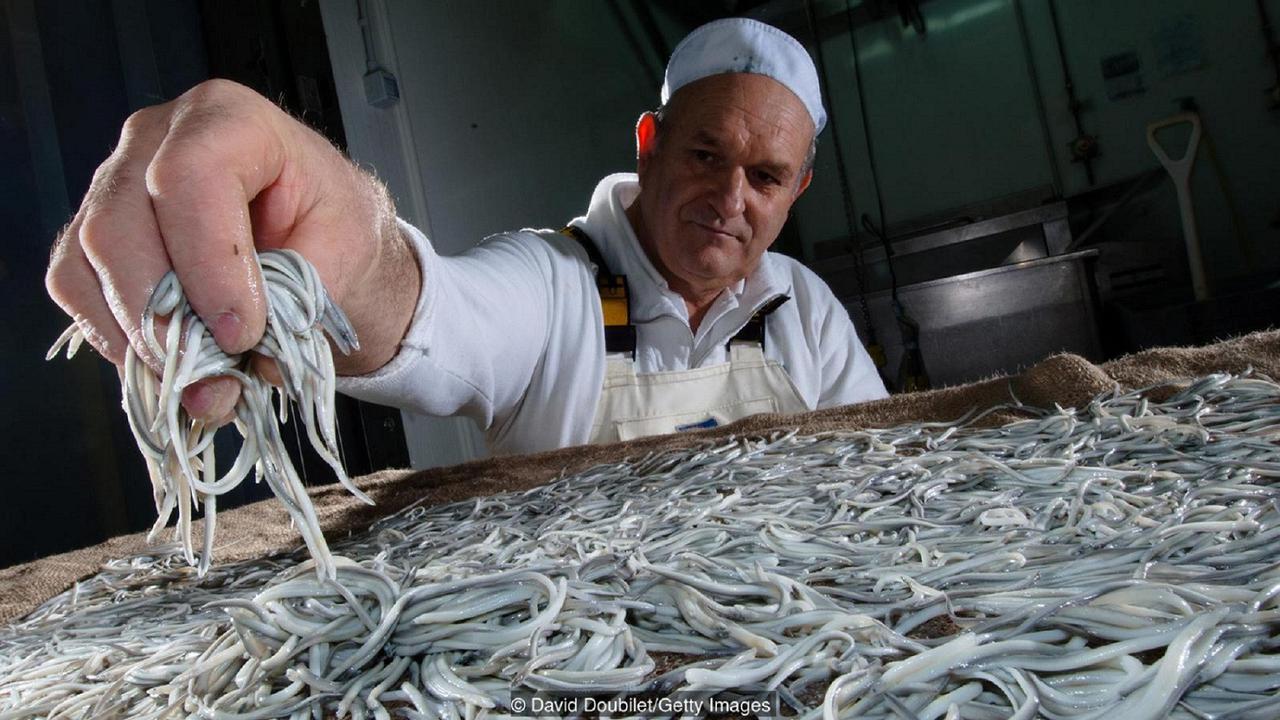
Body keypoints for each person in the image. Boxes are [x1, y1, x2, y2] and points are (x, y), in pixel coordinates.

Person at [45, 17, 887, 456]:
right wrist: (352, 248)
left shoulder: (804, 308)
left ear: (796, 192)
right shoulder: (556, 286)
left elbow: (881, 472)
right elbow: (436, 312)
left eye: (765, 178)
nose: (730, 199)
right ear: (649, 144)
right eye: (705, 155)